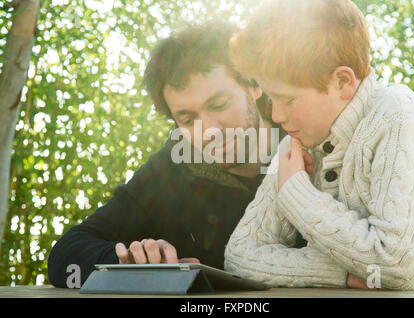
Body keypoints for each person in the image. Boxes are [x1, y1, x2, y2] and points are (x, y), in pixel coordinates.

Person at [47, 20, 295, 288]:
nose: (208, 131)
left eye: (219, 104)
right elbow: (65, 259)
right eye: (187, 120)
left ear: (254, 84)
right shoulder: (168, 170)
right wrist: (126, 263)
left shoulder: (309, 134)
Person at [224, 0, 414, 291]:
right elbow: (240, 255)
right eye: (271, 99)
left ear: (343, 82)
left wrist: (295, 192)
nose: (277, 116)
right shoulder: (300, 140)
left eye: (287, 99)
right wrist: (337, 274)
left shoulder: (404, 120)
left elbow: (397, 267)